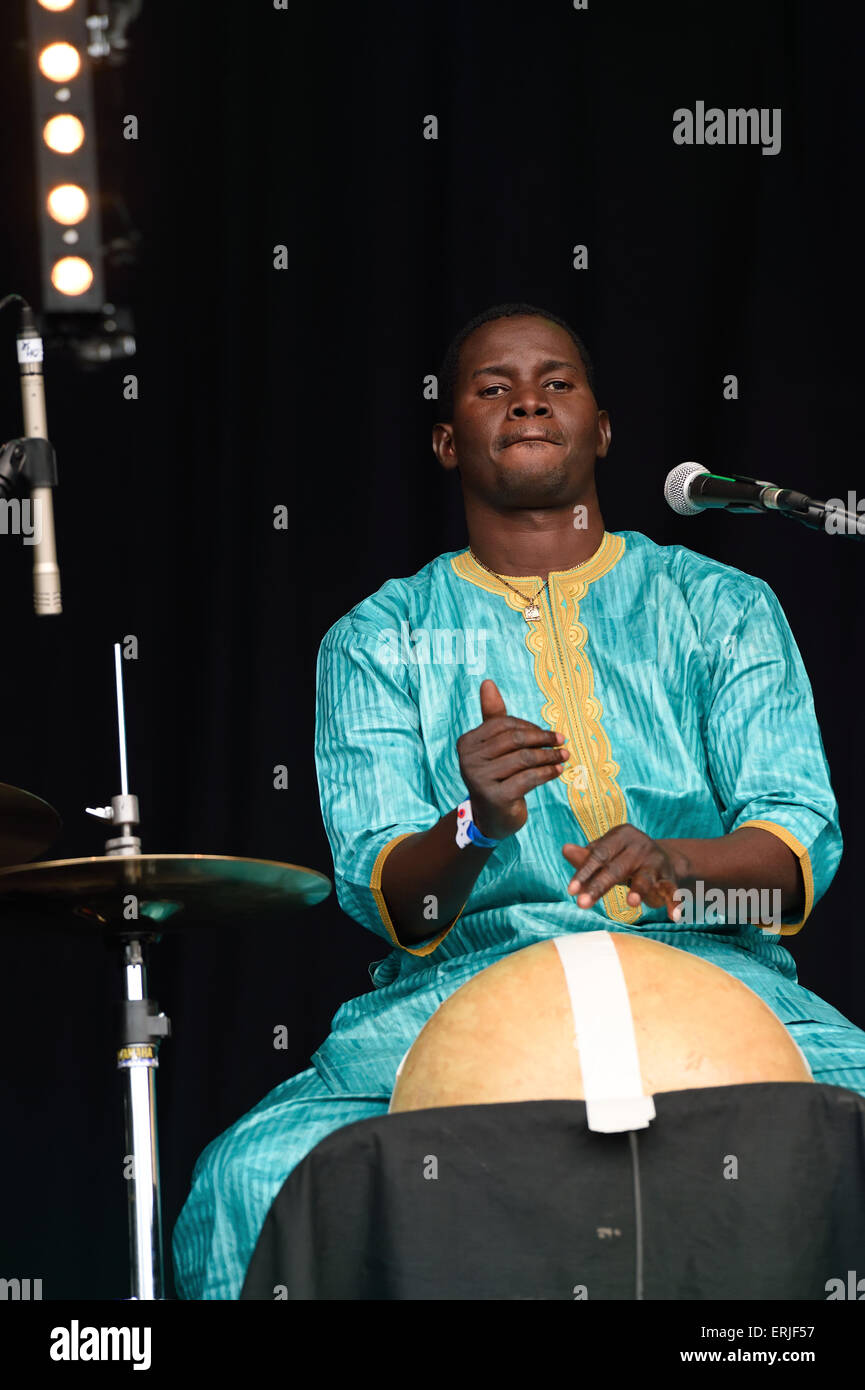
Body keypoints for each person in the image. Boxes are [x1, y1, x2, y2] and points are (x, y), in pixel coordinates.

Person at [173, 301, 865, 1300]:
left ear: (603, 426)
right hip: (456, 998)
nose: (527, 398)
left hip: (717, 980)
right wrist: (473, 825)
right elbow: (394, 903)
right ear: (449, 441)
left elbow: (798, 846)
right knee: (249, 1180)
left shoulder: (719, 606)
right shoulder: (379, 637)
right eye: (493, 387)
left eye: (556, 381)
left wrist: (682, 865)